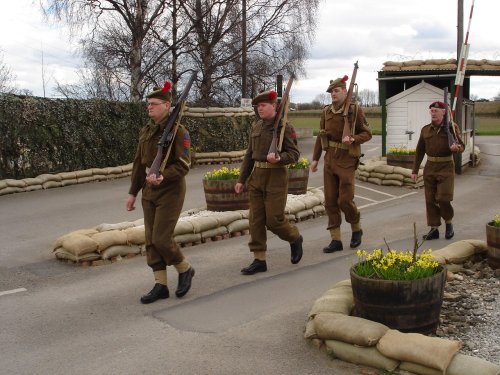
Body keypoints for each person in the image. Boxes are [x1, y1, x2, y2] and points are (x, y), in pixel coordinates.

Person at [126, 81, 195, 304]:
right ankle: (161, 284)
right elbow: (139, 163)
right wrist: (133, 192)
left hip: (170, 191)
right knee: (150, 241)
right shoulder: (147, 131)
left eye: (154, 104)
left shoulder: (179, 132)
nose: (149, 107)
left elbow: (184, 164)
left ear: (167, 106)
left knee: (161, 239)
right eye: (148, 104)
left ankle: (185, 269)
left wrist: (163, 175)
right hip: (149, 191)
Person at [234, 90, 303, 275]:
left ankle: (295, 237)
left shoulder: (284, 127)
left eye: (263, 105)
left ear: (274, 106)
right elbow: (249, 155)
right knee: (255, 220)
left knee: (274, 220)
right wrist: (242, 179)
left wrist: (279, 158)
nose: (259, 109)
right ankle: (259, 259)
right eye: (257, 106)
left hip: (276, 178)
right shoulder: (256, 127)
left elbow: (294, 154)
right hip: (257, 177)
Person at [310, 75, 372, 253]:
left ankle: (356, 229)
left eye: (336, 91)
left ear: (345, 91)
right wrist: (315, 159)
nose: (333, 94)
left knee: (344, 200)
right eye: (331, 92)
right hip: (330, 159)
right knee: (330, 202)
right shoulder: (326, 111)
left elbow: (367, 133)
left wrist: (353, 138)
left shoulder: (355, 110)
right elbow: (322, 136)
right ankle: (335, 240)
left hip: (347, 159)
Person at [411, 101, 464, 240]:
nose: (433, 113)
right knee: (430, 200)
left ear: (443, 112)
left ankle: (448, 223)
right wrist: (415, 170)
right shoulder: (425, 130)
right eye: (431, 111)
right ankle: (434, 229)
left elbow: (461, 145)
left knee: (443, 198)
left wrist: (456, 148)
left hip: (446, 167)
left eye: (436, 111)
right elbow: (419, 151)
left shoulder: (452, 128)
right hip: (430, 167)